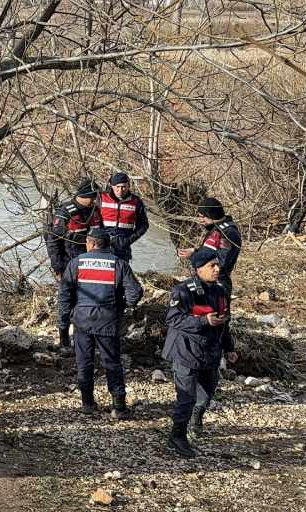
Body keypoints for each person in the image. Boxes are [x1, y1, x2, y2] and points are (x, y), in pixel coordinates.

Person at [56, 228, 144, 418]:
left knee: (84, 363)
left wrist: (63, 326)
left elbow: (64, 296)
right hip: (108, 321)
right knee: (112, 363)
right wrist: (120, 306)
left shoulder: (76, 263)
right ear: (107, 244)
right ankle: (119, 407)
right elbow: (135, 292)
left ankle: (87, 404)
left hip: (82, 321)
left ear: (91, 243)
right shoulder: (118, 264)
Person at [165, 247, 237, 459]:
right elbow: (173, 319)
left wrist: (229, 347)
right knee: (186, 397)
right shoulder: (183, 290)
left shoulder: (221, 291)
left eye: (217, 265)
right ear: (197, 269)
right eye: (211, 266)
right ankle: (177, 436)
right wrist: (202, 320)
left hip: (211, 350)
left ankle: (196, 418)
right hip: (186, 350)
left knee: (206, 393)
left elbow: (225, 322)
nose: (217, 269)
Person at [47, 179, 102, 348]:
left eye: (95, 197)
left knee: (90, 301)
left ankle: (87, 336)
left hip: (92, 264)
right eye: (92, 197)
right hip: (69, 264)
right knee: (66, 301)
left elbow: (102, 237)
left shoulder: (94, 211)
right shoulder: (64, 213)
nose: (94, 200)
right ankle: (64, 339)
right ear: (82, 195)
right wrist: (58, 267)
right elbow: (53, 241)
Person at [177, 197, 242, 299]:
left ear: (211, 214)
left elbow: (221, 262)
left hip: (216, 284)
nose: (201, 220)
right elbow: (213, 252)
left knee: (214, 312)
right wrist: (195, 251)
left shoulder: (226, 233)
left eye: (203, 217)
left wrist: (193, 256)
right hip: (210, 282)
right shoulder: (222, 229)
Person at [98, 172, 149, 262]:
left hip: (122, 245)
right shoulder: (101, 198)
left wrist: (129, 240)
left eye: (124, 187)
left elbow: (143, 225)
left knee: (121, 272)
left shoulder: (136, 201)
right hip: (102, 243)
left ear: (129, 186)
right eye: (117, 187)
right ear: (112, 186)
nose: (120, 190)